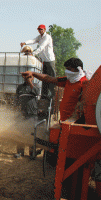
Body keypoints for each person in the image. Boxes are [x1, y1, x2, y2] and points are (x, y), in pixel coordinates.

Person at [21, 57, 98, 200]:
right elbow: (50, 79)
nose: (66, 71)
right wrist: (34, 74)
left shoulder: (84, 84)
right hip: (64, 125)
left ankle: (72, 191)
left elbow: (86, 108)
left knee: (72, 164)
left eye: (69, 69)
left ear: (77, 70)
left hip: (75, 128)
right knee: (62, 161)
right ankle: (68, 187)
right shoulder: (68, 80)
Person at [20, 24, 56, 100]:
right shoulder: (39, 37)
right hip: (44, 60)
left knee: (52, 78)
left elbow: (41, 47)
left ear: (45, 30)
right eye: (39, 29)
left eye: (41, 29)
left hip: (50, 60)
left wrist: (33, 53)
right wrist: (25, 43)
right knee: (44, 78)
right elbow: (33, 41)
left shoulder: (47, 37)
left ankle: (52, 95)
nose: (40, 31)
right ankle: (44, 95)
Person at [15, 75, 40, 157]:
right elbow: (17, 99)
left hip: (32, 114)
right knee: (20, 133)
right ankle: (20, 152)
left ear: (32, 78)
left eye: (29, 77)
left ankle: (32, 153)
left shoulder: (35, 86)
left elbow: (37, 92)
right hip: (22, 114)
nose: (27, 78)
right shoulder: (20, 87)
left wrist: (30, 83)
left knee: (32, 134)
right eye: (26, 77)